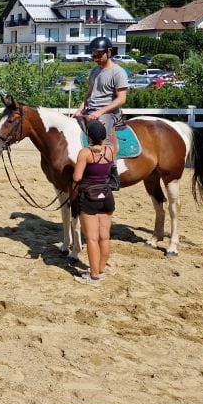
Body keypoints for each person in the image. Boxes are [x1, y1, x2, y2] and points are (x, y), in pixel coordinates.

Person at [73, 36, 128, 188]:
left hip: (108, 111)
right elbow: (89, 93)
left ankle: (112, 172)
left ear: (109, 52)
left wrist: (99, 112)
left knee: (103, 135)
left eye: (99, 55)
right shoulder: (95, 70)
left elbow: (121, 99)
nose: (96, 58)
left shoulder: (118, 72)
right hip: (90, 109)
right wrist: (80, 109)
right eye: (93, 55)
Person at [72, 119, 115, 286]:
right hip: (107, 196)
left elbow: (77, 177)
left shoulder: (85, 153)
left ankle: (94, 276)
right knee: (104, 237)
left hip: (89, 198)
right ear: (103, 136)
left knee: (91, 238)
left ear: (88, 136)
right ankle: (101, 270)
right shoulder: (111, 151)